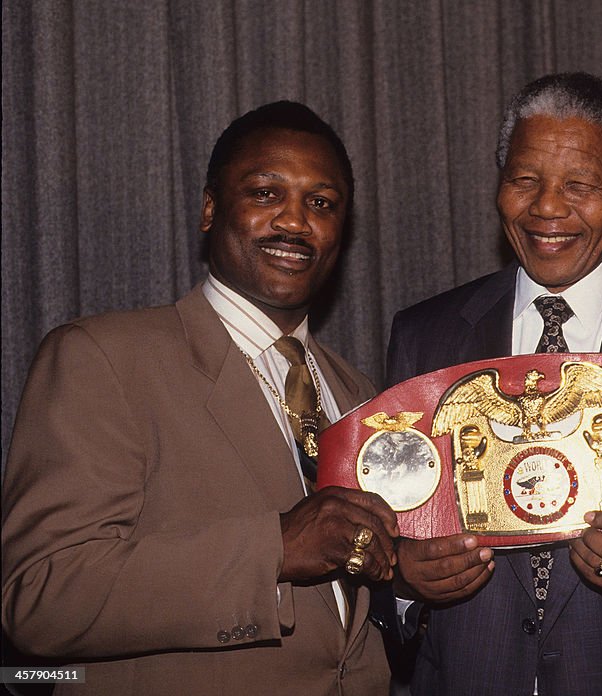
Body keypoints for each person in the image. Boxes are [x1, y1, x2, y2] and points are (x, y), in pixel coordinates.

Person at [2, 101, 399, 695]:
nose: (295, 222)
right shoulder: (102, 357)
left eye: (322, 203)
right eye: (266, 194)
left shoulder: (358, 392)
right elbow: (40, 595)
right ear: (211, 209)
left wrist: (410, 576)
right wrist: (274, 550)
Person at [382, 73, 602, 695]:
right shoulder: (423, 338)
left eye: (579, 185)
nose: (547, 208)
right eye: (525, 181)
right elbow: (384, 532)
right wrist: (401, 583)